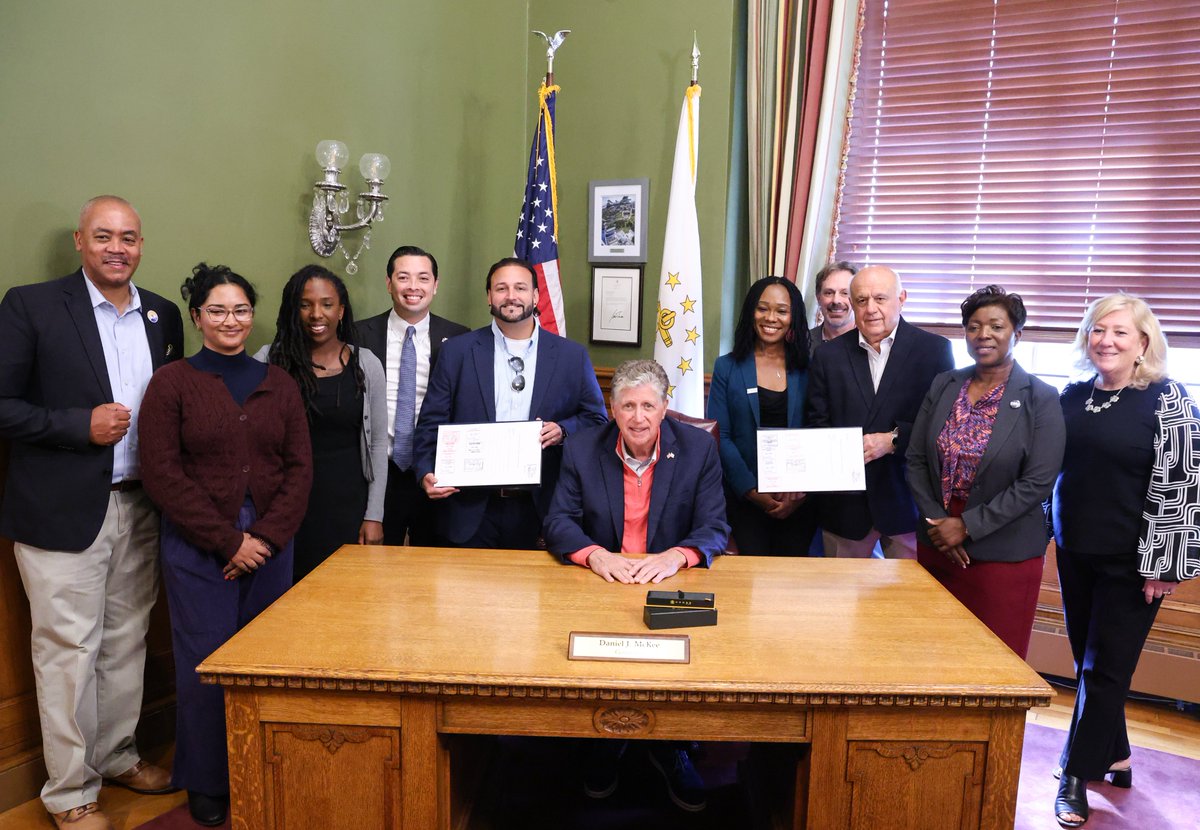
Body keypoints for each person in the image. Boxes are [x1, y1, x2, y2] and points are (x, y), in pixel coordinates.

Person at [0, 195, 182, 830]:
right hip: (61, 514)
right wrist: (82, 425)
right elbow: (2, 405)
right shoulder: (32, 305)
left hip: (141, 509)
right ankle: (70, 792)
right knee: (67, 651)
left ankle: (117, 755)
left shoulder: (162, 315)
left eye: (129, 237)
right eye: (103, 236)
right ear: (80, 241)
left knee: (126, 644)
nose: (117, 248)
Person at [138, 263, 311, 827]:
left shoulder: (278, 383)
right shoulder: (173, 383)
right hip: (197, 546)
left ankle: (263, 764)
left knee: (265, 664)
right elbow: (161, 474)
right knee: (206, 664)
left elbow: (299, 469)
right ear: (196, 317)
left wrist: (262, 538)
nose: (230, 320)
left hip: (270, 543)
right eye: (217, 310)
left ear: (251, 315)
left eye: (240, 310)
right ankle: (209, 779)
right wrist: (226, 540)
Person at [543, 358, 729, 812]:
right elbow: (557, 522)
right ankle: (606, 740)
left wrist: (676, 556)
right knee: (594, 658)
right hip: (602, 581)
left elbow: (715, 527)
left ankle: (671, 746)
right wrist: (595, 555)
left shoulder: (698, 449)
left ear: (665, 408)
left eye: (648, 405)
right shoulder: (584, 448)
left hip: (669, 581)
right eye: (628, 405)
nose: (638, 417)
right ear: (612, 408)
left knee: (677, 664)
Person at [1050, 293, 1198, 828]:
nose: (1106, 340)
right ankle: (1115, 754)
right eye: (1097, 330)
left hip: (1135, 561)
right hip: (1073, 551)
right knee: (1089, 665)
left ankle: (1074, 773)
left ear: (1143, 343)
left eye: (1119, 332)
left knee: (1106, 667)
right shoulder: (1071, 397)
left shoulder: (1168, 398)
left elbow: (1184, 484)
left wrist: (1167, 563)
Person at [907, 286, 1065, 657]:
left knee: (995, 663)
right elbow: (916, 459)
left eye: (996, 326)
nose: (984, 335)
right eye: (974, 326)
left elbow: (1038, 482)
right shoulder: (945, 384)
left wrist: (965, 526)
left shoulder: (1040, 397)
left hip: (1002, 551)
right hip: (937, 541)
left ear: (1017, 334)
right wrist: (939, 522)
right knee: (932, 654)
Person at [413, 257, 607, 549]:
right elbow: (431, 422)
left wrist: (563, 430)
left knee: (535, 595)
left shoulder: (571, 356)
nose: (511, 296)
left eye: (520, 288)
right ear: (489, 296)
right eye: (501, 288)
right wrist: (425, 471)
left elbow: (596, 420)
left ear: (536, 295)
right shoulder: (457, 352)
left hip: (541, 508)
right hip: (469, 508)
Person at [806, 265, 955, 558]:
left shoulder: (934, 350)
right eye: (861, 300)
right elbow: (816, 423)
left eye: (880, 298)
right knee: (840, 600)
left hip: (907, 499)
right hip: (845, 505)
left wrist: (894, 440)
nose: (870, 309)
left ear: (901, 298)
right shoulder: (828, 356)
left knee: (906, 600)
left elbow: (946, 426)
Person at [260, 264, 388, 580]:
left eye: (327, 304)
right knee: (285, 602)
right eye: (305, 304)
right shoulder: (268, 360)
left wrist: (374, 516)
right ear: (294, 310)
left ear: (341, 311)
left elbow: (378, 443)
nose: (317, 314)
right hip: (284, 507)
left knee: (344, 601)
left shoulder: (366, 363)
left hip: (348, 506)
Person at [356, 246, 469, 546]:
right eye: (403, 277)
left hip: (436, 473)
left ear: (435, 284)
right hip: (377, 472)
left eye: (423, 278)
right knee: (374, 571)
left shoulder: (461, 338)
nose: (413, 287)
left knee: (433, 574)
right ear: (389, 283)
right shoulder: (358, 335)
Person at [707, 276, 817, 555]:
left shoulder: (810, 369)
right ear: (750, 312)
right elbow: (723, 436)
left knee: (791, 586)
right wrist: (753, 492)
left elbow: (817, 430)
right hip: (744, 496)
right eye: (762, 308)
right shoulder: (727, 367)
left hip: (799, 499)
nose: (771, 318)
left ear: (794, 317)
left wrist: (798, 492)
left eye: (782, 310)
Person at [809, 260, 857, 353]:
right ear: (818, 298)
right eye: (829, 293)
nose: (836, 300)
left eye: (845, 293)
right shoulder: (801, 343)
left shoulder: (871, 344)